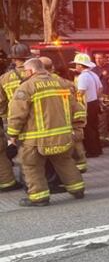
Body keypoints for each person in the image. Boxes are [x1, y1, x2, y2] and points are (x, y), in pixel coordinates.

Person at [7, 58, 85, 207]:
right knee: (65, 162)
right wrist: (77, 128)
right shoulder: (62, 83)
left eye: (25, 71)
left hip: (35, 140)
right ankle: (77, 189)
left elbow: (17, 114)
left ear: (30, 71)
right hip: (63, 136)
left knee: (31, 166)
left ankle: (39, 197)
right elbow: (78, 109)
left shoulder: (26, 87)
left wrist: (12, 134)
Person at [41, 56, 87, 174]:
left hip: (55, 121)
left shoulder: (41, 83)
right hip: (71, 118)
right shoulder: (66, 83)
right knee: (76, 141)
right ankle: (80, 165)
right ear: (52, 68)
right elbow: (76, 102)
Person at [0, 43, 30, 192]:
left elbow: (1, 103)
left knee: (19, 152)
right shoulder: (34, 72)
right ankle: (34, 181)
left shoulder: (4, 78)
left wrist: (6, 120)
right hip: (35, 118)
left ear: (13, 59)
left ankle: (27, 181)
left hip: (14, 119)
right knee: (31, 151)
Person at [71, 53, 102, 157]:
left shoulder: (83, 77)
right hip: (94, 102)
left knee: (88, 128)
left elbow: (81, 92)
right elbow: (100, 89)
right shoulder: (94, 75)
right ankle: (98, 149)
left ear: (80, 65)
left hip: (87, 104)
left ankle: (91, 151)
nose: (75, 67)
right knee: (94, 127)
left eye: (76, 65)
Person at [93, 53, 109, 146]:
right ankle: (102, 140)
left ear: (104, 58)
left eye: (100, 58)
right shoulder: (93, 70)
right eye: (96, 58)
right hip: (99, 98)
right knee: (101, 120)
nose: (98, 60)